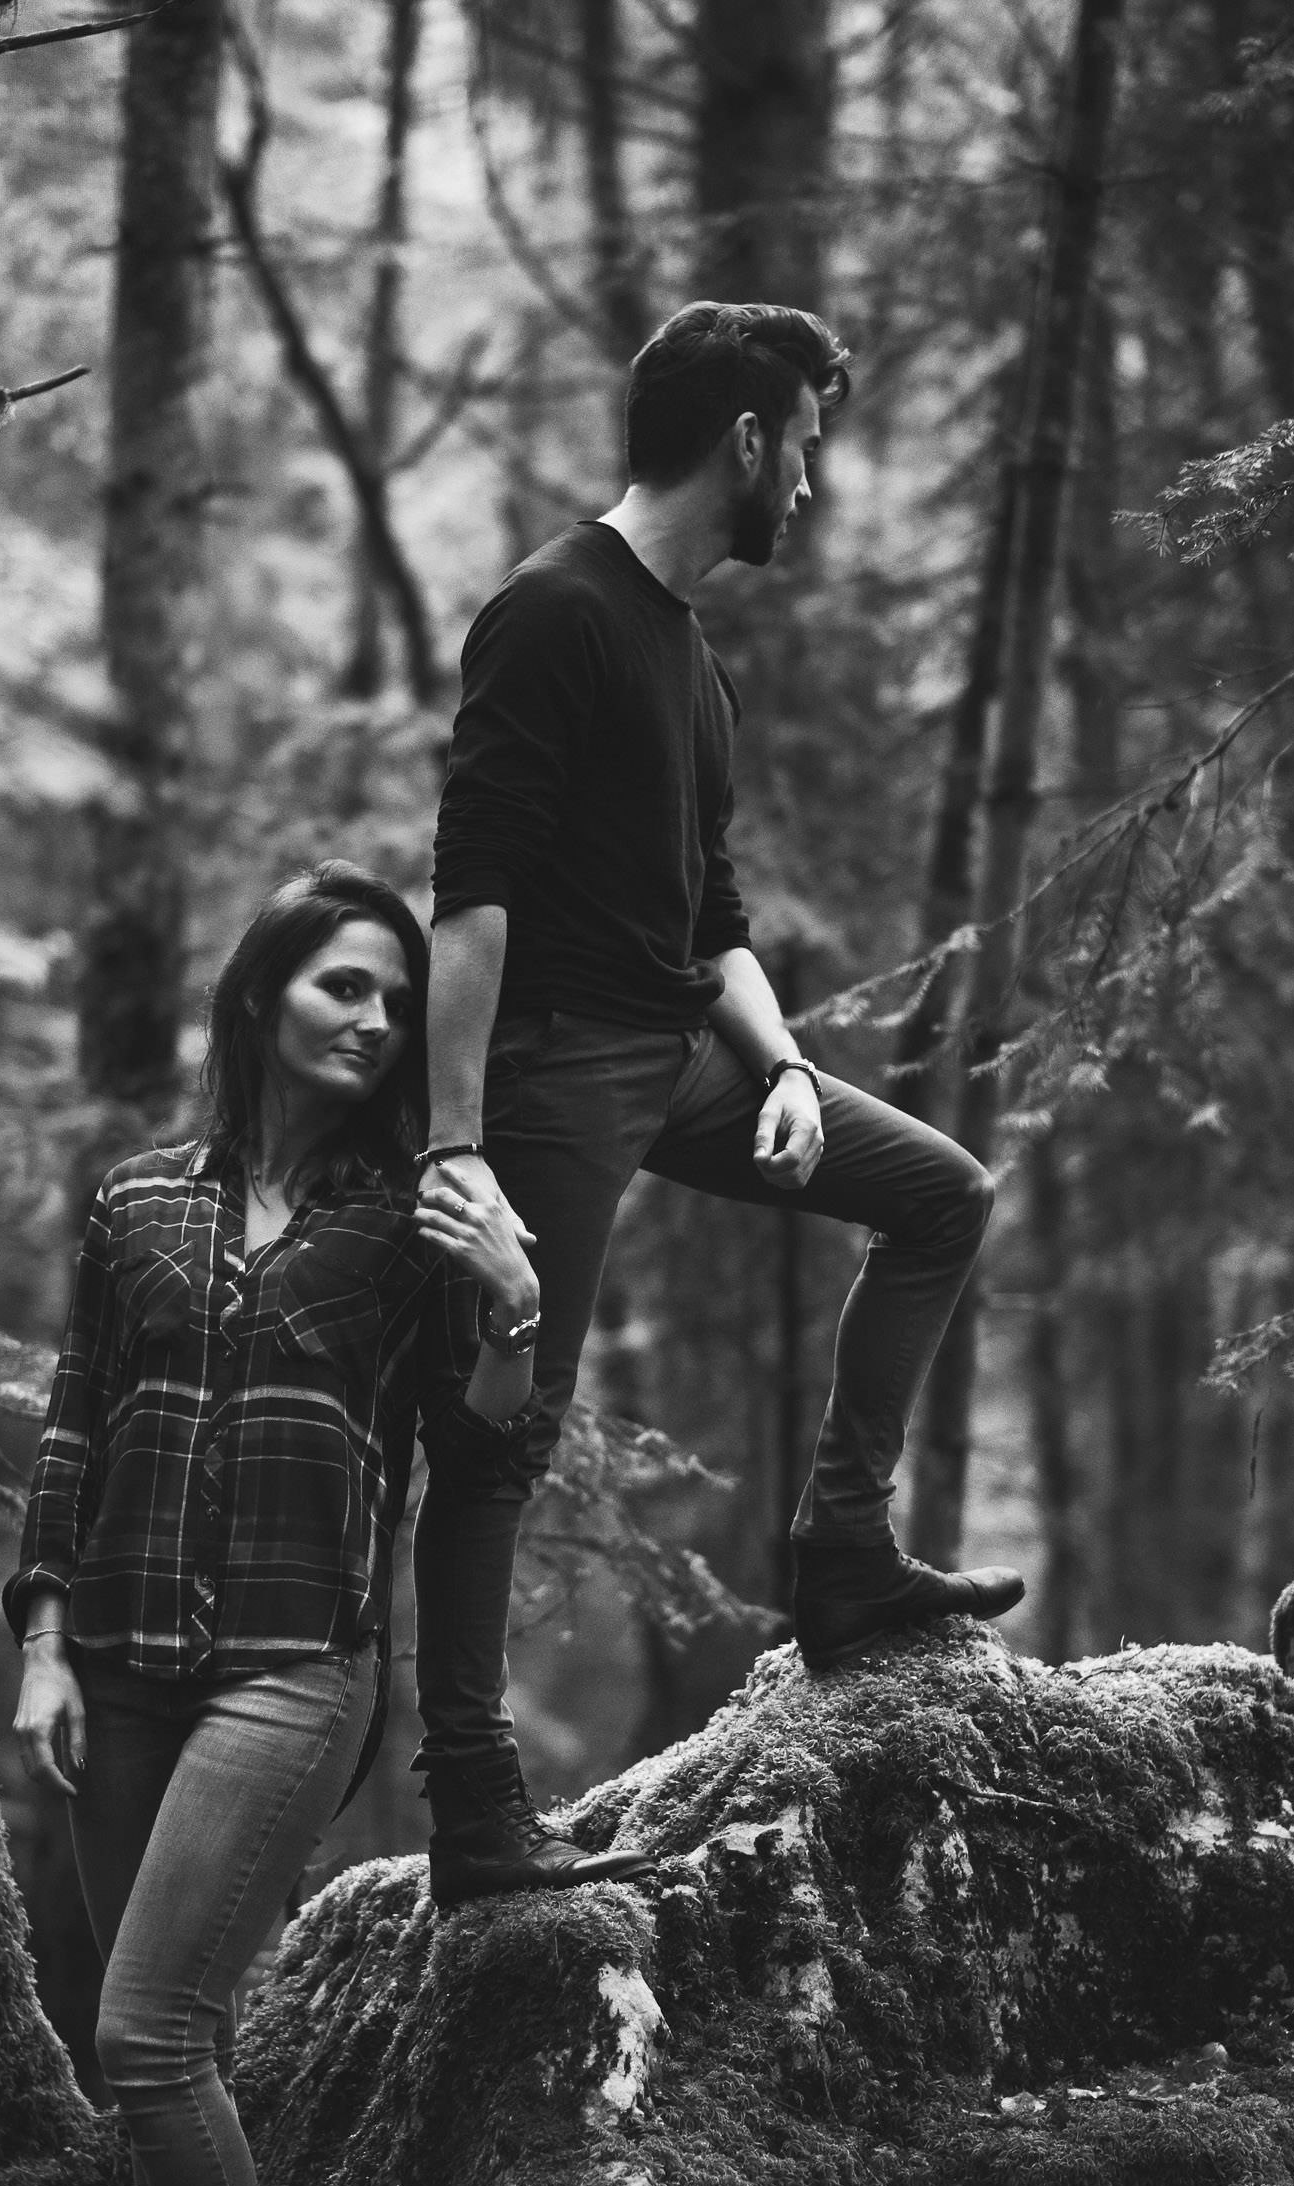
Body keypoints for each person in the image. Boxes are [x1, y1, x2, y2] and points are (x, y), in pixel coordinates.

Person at [5, 865, 651, 2186]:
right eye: (342, 988)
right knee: (150, 2040)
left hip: (294, 1670)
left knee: (149, 2033)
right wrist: (41, 1641)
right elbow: (79, 1426)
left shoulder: (411, 1217)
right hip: (121, 1664)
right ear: (259, 999)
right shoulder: (141, 1201)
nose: (374, 1021)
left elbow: (487, 1438)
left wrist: (511, 1299)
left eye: (392, 999)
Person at [411, 301, 1025, 1898]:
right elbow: (468, 894)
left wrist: (791, 1069)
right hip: (550, 1069)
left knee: (942, 1193)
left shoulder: (691, 654)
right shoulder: (552, 614)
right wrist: (456, 1149)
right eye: (806, 445)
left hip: (680, 1049)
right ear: (746, 441)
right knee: (500, 1431)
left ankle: (843, 1554)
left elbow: (715, 918)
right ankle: (473, 1811)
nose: (813, 483)